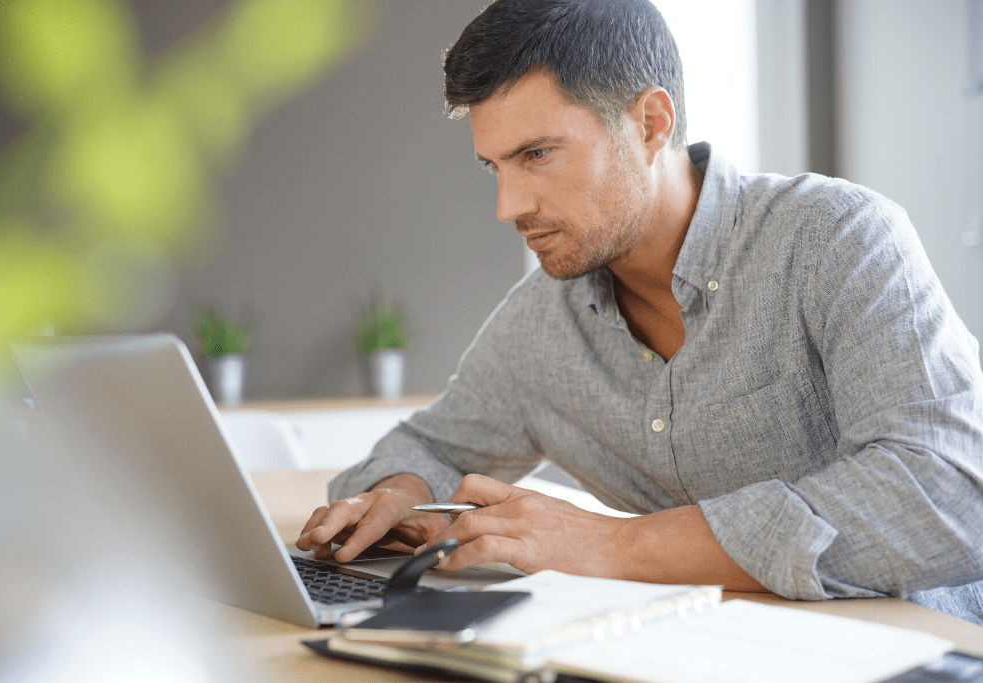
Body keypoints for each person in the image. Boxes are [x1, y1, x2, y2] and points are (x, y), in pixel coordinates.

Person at [296, 0, 983, 622]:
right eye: (494, 167)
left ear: (652, 123)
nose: (508, 207)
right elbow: (432, 445)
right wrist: (400, 491)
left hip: (916, 646)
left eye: (537, 154)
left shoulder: (838, 238)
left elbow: (949, 493)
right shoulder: (542, 322)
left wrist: (610, 543)